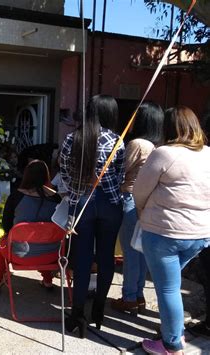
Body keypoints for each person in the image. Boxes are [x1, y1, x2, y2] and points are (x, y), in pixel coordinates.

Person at [134, 106, 210, 354]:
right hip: (199, 234)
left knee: (168, 289)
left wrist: (143, 212)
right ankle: (172, 330)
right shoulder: (208, 154)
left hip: (164, 233)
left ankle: (172, 344)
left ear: (168, 128)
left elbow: (139, 191)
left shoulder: (163, 154)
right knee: (171, 283)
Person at [60, 94, 125, 338]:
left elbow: (64, 171)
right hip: (109, 203)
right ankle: (99, 309)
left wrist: (77, 189)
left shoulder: (72, 138)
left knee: (82, 257)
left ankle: (77, 313)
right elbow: (120, 174)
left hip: (81, 204)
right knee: (106, 255)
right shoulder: (117, 140)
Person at [111, 102, 164, 315]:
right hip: (148, 203)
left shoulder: (138, 144)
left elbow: (119, 171)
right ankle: (138, 294)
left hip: (130, 199)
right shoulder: (158, 146)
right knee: (140, 251)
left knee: (130, 252)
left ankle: (129, 296)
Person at [0, 160, 61, 293]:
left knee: (3, 245)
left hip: (19, 254)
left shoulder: (16, 197)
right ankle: (48, 280)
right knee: (44, 241)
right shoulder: (56, 199)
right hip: (52, 254)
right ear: (46, 176)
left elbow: (7, 227)